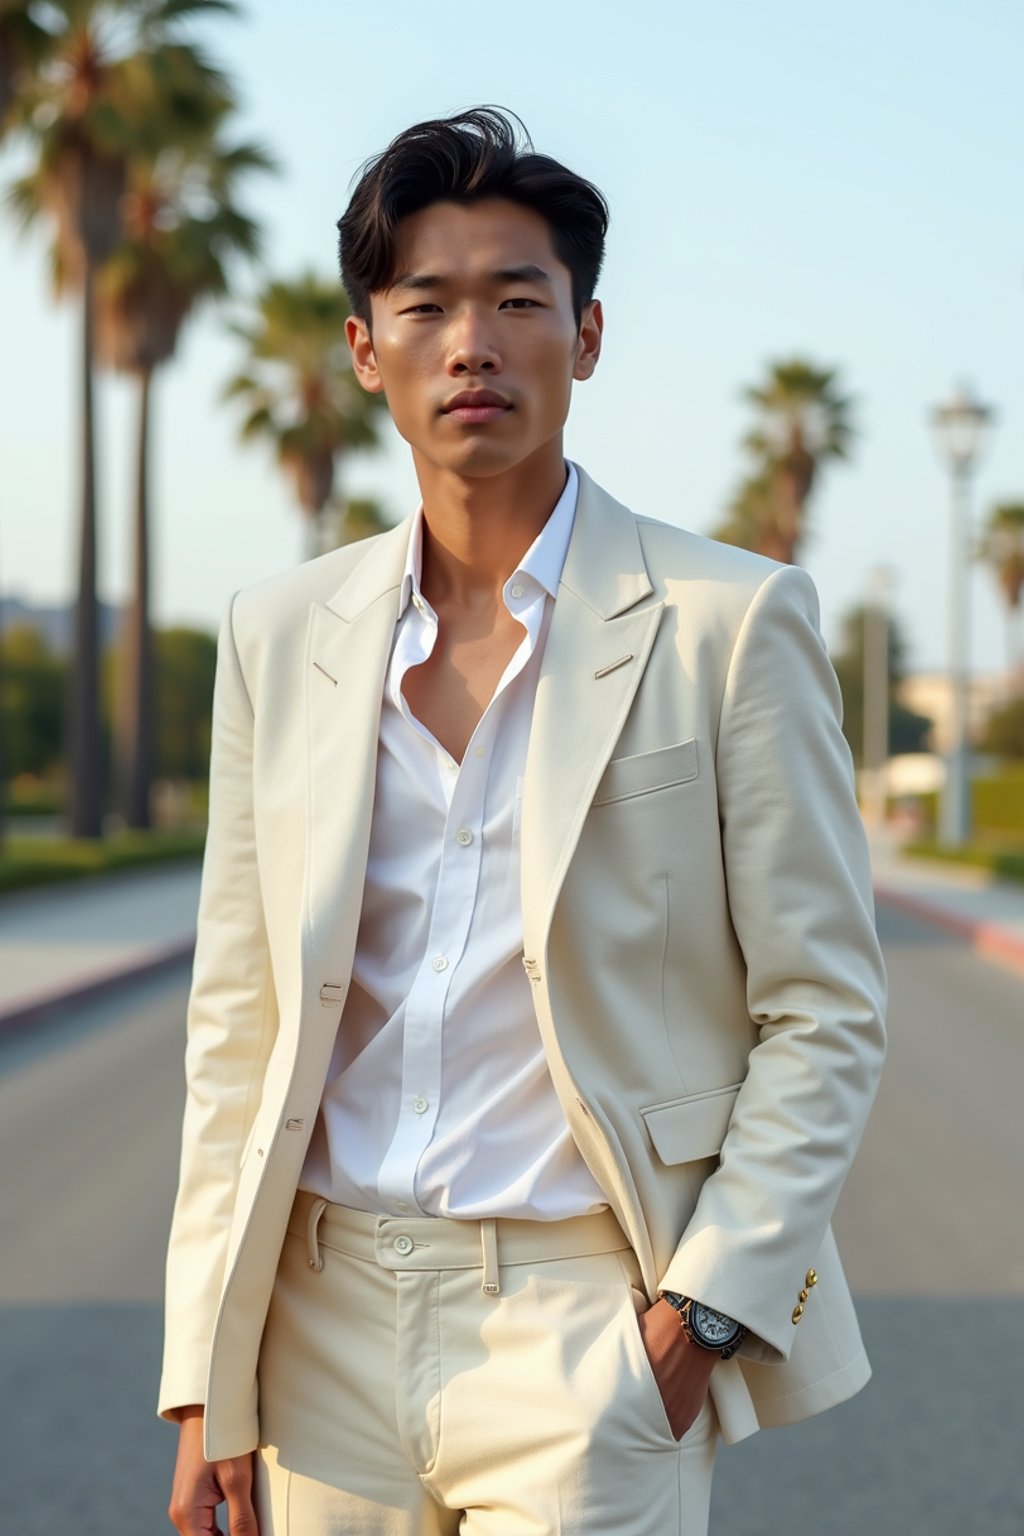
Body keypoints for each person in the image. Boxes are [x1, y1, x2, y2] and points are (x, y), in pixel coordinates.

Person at [162, 106, 887, 1536]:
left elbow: (826, 1009)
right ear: (366, 350)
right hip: (317, 1330)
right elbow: (236, 1022)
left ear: (589, 335)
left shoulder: (728, 624)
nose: (472, 343)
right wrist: (206, 1374)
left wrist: (698, 1323)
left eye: (517, 300)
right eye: (425, 304)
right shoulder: (279, 632)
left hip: (583, 1327)